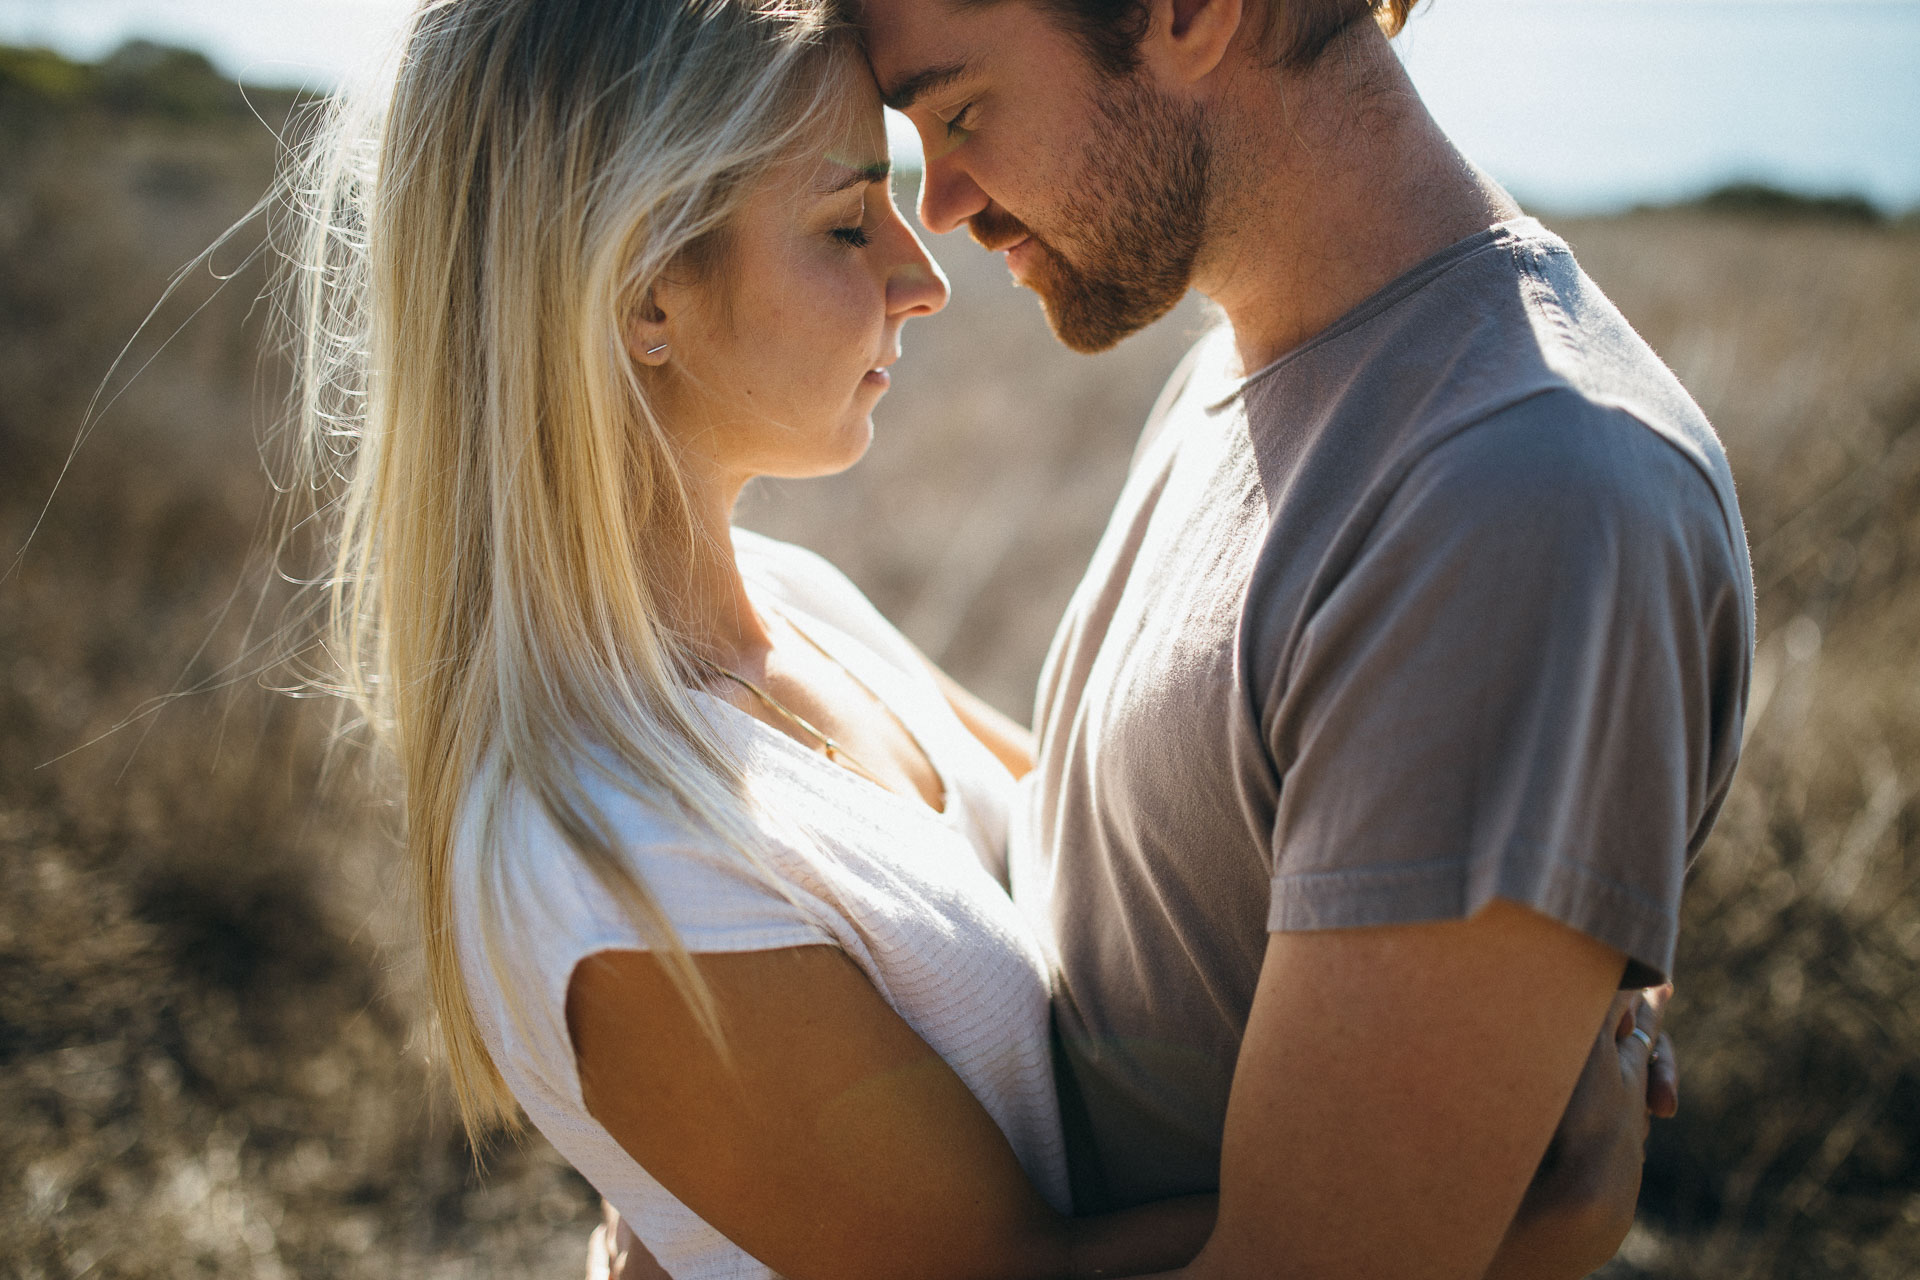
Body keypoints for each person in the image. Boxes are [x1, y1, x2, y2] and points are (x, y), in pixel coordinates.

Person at [290, 0, 1693, 1277]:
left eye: (951, 123)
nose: (932, 257)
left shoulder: (792, 609)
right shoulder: (601, 866)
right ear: (643, 292)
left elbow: (1090, 849)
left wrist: (1502, 980)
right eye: (853, 220)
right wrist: (1531, 1216)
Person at [840, 0, 1749, 1275]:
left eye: (963, 111)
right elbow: (1134, 877)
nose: (942, 203)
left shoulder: (1520, 496)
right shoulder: (1250, 356)